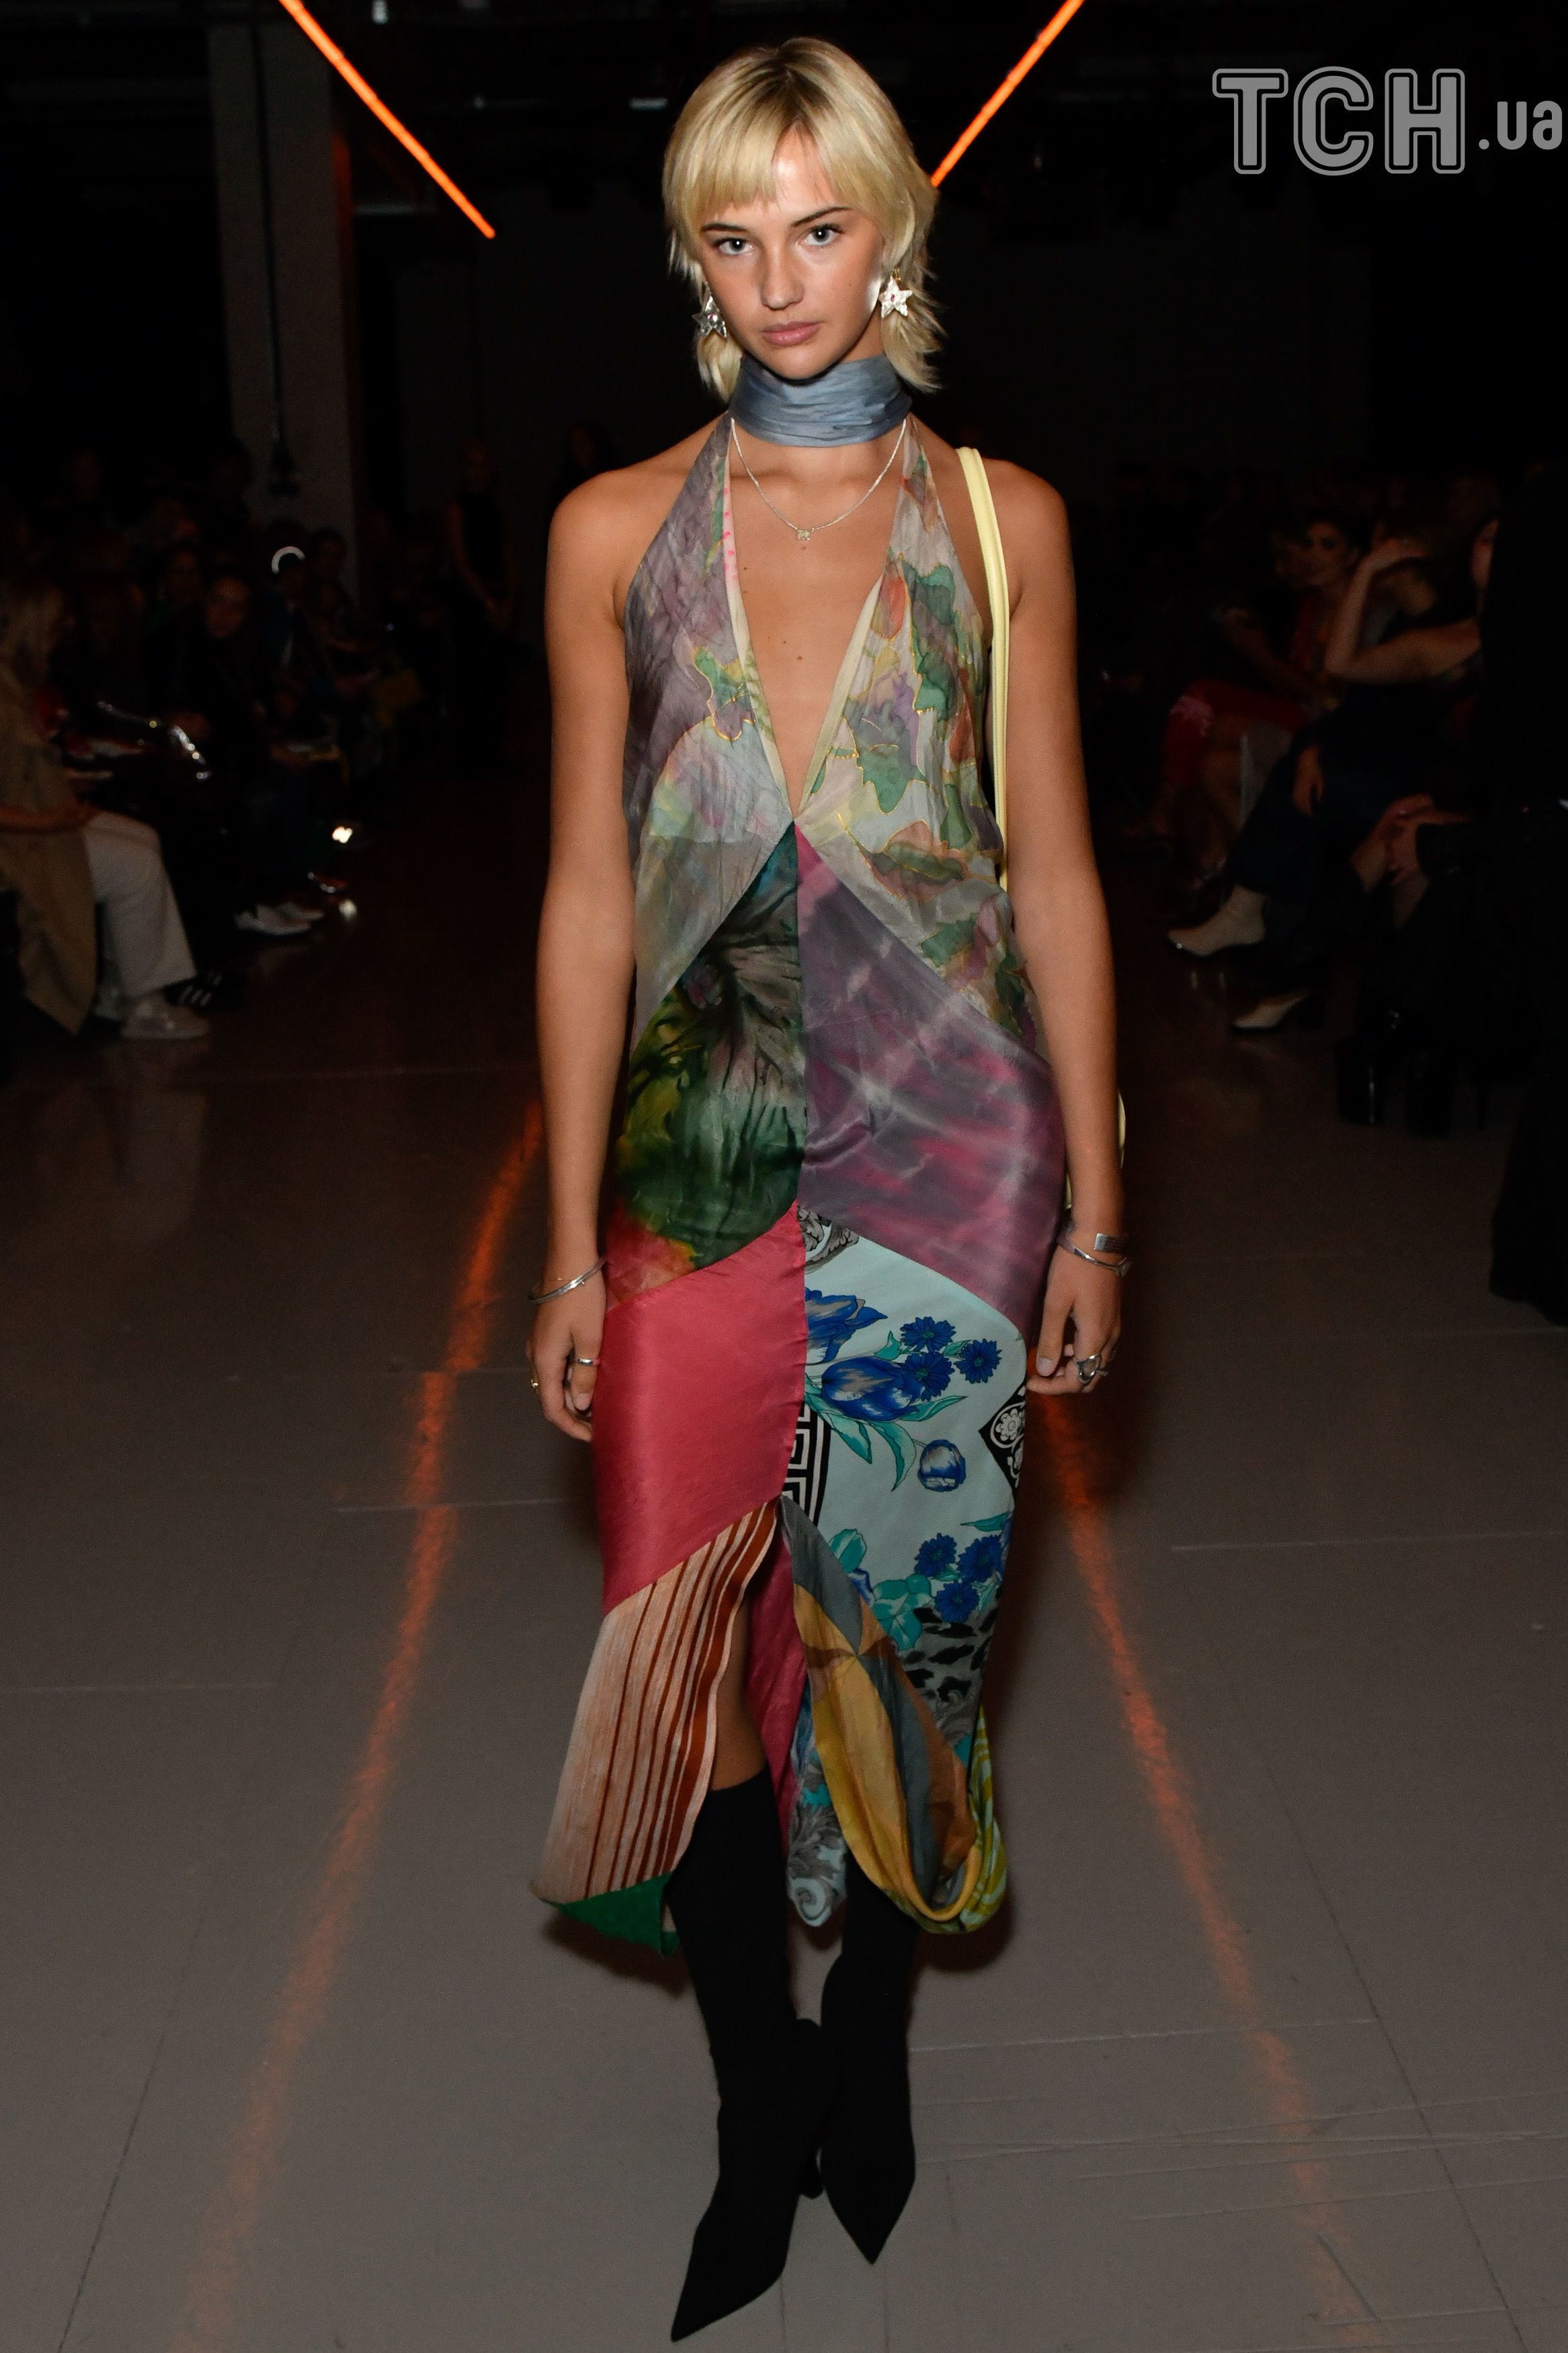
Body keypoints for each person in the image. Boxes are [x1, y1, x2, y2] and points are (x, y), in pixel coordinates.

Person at [528, 39, 1124, 2338]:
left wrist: (1093, 1207)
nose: (781, 278)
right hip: (692, 1157)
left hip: (956, 1155)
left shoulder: (998, 520)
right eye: (733, 234)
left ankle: (861, 2041)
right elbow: (589, 896)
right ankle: (748, 2102)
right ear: (693, 259)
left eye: (820, 224)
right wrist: (563, 1238)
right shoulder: (610, 530)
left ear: (892, 231)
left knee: (898, 1651)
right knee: (670, 1648)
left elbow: (1053, 873)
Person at [0, 573, 206, 1041]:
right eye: (57, 625)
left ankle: (122, 985)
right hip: (18, 840)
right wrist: (45, 820)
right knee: (134, 866)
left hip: (36, 821)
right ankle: (144, 1000)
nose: (66, 632)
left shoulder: (16, 683)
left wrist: (57, 788)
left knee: (144, 837)